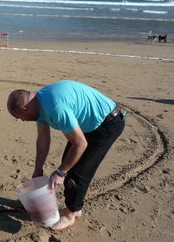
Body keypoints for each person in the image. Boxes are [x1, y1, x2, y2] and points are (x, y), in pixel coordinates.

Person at [7, 80, 125, 231]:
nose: (21, 120)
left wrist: (61, 172)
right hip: (87, 124)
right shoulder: (38, 104)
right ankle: (75, 206)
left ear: (25, 109)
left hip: (107, 122)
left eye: (19, 117)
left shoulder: (55, 108)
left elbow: (80, 144)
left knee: (77, 172)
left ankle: (71, 213)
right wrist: (38, 169)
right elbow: (43, 140)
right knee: (68, 162)